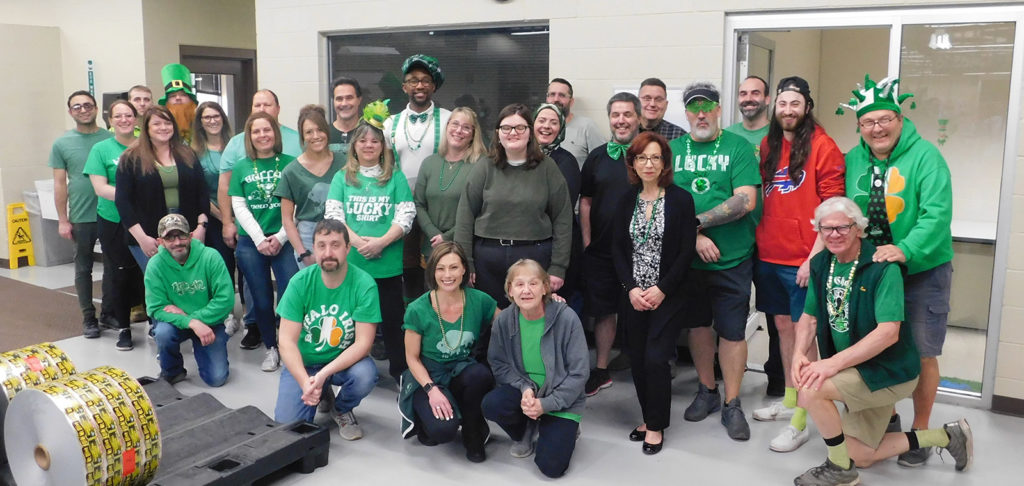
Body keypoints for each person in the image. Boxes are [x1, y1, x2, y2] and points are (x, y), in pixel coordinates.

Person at [791, 196, 972, 485]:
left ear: (859, 229)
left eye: (842, 228)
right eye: (826, 229)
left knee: (811, 389)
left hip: (887, 371)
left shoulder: (882, 267)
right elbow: (809, 317)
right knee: (861, 455)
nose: (833, 235)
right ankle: (947, 436)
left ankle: (839, 469)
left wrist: (828, 365)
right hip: (854, 369)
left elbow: (889, 332)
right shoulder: (821, 263)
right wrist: (799, 354)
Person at [838, 74, 955, 467]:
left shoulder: (926, 157)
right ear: (859, 127)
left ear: (900, 120)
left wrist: (904, 250)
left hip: (921, 270)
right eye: (868, 122)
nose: (877, 128)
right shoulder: (853, 158)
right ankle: (888, 419)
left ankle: (921, 432)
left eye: (885, 119)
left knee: (921, 352)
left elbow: (936, 216)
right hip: (872, 273)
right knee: (878, 347)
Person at [752, 76, 845, 453]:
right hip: (769, 255)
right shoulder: (768, 145)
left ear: (806, 106)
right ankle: (791, 400)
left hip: (803, 261)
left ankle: (802, 420)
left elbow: (832, 209)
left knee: (806, 339)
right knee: (783, 330)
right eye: (782, 104)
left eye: (795, 103)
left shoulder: (824, 147)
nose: (788, 110)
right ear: (775, 107)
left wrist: (813, 258)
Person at [668, 82, 760, 441]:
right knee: (697, 326)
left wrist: (696, 223)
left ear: (720, 110)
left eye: (708, 106)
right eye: (694, 108)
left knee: (733, 332)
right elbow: (662, 200)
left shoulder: (738, 147)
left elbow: (745, 201)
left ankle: (732, 402)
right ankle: (707, 390)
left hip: (732, 259)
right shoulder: (672, 149)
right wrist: (693, 237)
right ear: (687, 113)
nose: (701, 113)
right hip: (688, 261)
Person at [612, 132, 697, 455]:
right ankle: (649, 417)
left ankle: (657, 425)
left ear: (665, 163)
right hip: (633, 293)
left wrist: (661, 289)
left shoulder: (680, 199)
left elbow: (686, 251)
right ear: (632, 163)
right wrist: (631, 288)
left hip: (668, 294)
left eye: (655, 158)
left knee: (656, 358)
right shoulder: (626, 198)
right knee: (636, 357)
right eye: (642, 158)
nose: (648, 164)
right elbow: (618, 249)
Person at [325, 102, 416, 382]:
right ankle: (349, 373)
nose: (368, 145)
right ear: (354, 146)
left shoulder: (395, 177)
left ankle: (401, 374)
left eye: (374, 141)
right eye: (362, 140)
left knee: (392, 323)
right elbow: (333, 214)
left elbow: (406, 214)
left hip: (387, 266)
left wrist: (381, 242)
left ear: (382, 146)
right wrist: (357, 242)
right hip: (352, 266)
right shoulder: (343, 178)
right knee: (352, 323)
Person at [454, 103, 573, 308]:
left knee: (529, 321)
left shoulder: (547, 168)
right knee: (489, 322)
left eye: (520, 127)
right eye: (506, 128)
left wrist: (558, 267)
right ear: (498, 133)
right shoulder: (485, 167)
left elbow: (563, 219)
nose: (513, 133)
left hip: (533, 258)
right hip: (487, 261)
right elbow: (465, 217)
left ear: (530, 131)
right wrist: (466, 262)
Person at [274, 218, 380, 440]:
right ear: (314, 249)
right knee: (288, 429)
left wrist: (323, 374)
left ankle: (341, 408)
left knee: (366, 374)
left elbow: (363, 343)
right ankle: (319, 391)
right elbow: (286, 341)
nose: (328, 252)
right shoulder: (299, 283)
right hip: (306, 363)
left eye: (335, 245)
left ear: (348, 248)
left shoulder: (364, 284)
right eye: (321, 246)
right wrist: (305, 381)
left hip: (343, 362)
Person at [481, 259, 588, 478]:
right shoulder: (504, 321)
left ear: (545, 287)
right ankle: (525, 430)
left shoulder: (566, 319)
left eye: (533, 283)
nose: (526, 290)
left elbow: (579, 373)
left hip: (560, 398)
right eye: (519, 284)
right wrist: (524, 388)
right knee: (491, 404)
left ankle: (561, 427)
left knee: (551, 467)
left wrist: (546, 404)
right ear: (510, 290)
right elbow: (498, 364)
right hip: (527, 393)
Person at [399, 242, 498, 462]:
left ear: (464, 269)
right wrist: (431, 390)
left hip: (462, 369)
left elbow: (511, 322)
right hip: (428, 374)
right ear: (432, 272)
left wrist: (547, 302)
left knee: (480, 375)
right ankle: (422, 415)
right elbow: (411, 358)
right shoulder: (417, 309)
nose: (447, 275)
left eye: (454, 267)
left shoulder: (480, 300)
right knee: (441, 431)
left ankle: (473, 431)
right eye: (441, 268)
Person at [580, 93, 642, 396]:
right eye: (616, 115)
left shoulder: (651, 155)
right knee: (604, 311)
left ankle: (645, 369)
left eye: (627, 114)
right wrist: (588, 240)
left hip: (642, 252)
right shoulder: (598, 156)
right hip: (603, 251)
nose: (621, 120)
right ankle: (601, 369)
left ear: (638, 118)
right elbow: (587, 201)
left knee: (641, 310)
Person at [228, 111, 300, 370]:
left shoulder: (292, 163)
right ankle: (272, 348)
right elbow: (239, 206)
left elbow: (298, 205)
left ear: (275, 133)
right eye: (256, 131)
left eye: (266, 130)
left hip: (286, 239)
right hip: (251, 243)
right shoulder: (241, 167)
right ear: (249, 136)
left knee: (291, 294)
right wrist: (260, 239)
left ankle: (291, 345)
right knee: (260, 299)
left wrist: (280, 237)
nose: (262, 135)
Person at [383, 54, 451, 302]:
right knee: (407, 268)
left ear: (433, 86)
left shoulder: (448, 119)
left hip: (438, 208)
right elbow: (386, 167)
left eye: (425, 80)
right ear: (404, 87)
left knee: (439, 267)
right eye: (413, 80)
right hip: (403, 208)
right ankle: (412, 323)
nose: (419, 85)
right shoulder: (390, 123)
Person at [50, 90, 116, 339]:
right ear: (70, 112)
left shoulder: (110, 139)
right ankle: (89, 317)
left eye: (87, 105)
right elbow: (59, 183)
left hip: (111, 212)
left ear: (96, 108)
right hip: (81, 214)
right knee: (83, 267)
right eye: (76, 107)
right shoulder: (62, 144)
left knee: (114, 266)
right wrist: (63, 219)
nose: (83, 110)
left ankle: (110, 313)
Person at [115, 105, 210, 273]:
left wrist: (201, 227)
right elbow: (123, 202)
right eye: (157, 124)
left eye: (167, 123)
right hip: (148, 234)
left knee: (188, 283)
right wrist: (142, 238)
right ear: (146, 128)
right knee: (160, 287)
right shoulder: (131, 158)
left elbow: (201, 193)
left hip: (186, 231)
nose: (163, 128)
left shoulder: (187, 154)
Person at [146, 213, 233, 387]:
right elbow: (155, 308)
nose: (177, 242)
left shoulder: (211, 257)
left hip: (210, 323)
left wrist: (192, 318)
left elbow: (225, 301)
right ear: (160, 241)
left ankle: (205, 351)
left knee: (217, 379)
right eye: (170, 237)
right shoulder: (155, 265)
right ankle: (172, 370)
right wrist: (191, 322)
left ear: (191, 235)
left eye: (181, 235)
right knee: (163, 333)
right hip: (177, 324)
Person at [84, 100, 144, 350]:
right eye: (118, 116)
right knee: (119, 274)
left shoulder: (146, 146)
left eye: (128, 115)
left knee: (146, 272)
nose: (123, 120)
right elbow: (99, 187)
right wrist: (130, 195)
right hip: (113, 219)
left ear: (136, 119)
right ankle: (123, 328)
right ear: (110, 121)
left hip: (144, 220)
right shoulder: (101, 149)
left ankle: (155, 323)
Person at [218, 89, 303, 250]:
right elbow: (225, 187)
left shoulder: (297, 140)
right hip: (250, 232)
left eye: (267, 104)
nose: (262, 109)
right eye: (257, 105)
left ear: (278, 108)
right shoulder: (236, 143)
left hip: (287, 231)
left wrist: (282, 235)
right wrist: (227, 222)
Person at [191, 101, 241, 335]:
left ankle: (251, 318)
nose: (212, 120)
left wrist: (236, 217)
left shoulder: (238, 145)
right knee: (223, 266)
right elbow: (199, 192)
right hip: (213, 218)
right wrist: (225, 218)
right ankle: (227, 313)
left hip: (243, 215)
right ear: (200, 123)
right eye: (206, 117)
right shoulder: (194, 153)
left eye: (216, 115)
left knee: (248, 268)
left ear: (223, 118)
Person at [414, 107, 488, 259]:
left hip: (466, 248)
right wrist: (434, 234)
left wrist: (447, 237)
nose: (459, 130)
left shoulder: (481, 165)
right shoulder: (429, 163)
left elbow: (481, 210)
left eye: (466, 127)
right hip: (432, 246)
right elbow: (419, 204)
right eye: (455, 124)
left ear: (473, 134)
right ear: (447, 127)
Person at [278, 105, 344, 270]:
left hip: (341, 230)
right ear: (302, 136)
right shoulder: (291, 171)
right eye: (309, 132)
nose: (316, 136)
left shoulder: (344, 163)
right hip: (308, 236)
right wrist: (302, 252)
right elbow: (287, 219)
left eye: (320, 130)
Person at [533, 103, 583, 316]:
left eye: (553, 122)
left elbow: (559, 209)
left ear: (561, 128)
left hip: (558, 248)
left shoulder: (566, 162)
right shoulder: (518, 158)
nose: (547, 126)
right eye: (542, 120)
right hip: (526, 246)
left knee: (556, 310)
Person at [545, 78, 606, 169]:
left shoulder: (587, 127)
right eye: (552, 94)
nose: (556, 99)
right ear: (547, 99)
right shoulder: (539, 129)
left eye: (562, 95)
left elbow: (602, 162)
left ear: (571, 101)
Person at [725, 75, 772, 157]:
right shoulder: (726, 136)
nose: (748, 99)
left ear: (767, 100)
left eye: (755, 93)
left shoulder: (778, 134)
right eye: (743, 94)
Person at [159, 63, 199, 144]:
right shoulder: (157, 123)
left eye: (183, 95)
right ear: (167, 101)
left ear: (190, 99)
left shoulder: (200, 122)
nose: (178, 98)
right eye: (173, 96)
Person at [329, 77, 363, 155]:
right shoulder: (324, 135)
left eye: (349, 98)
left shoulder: (369, 133)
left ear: (359, 100)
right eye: (339, 99)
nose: (344, 103)